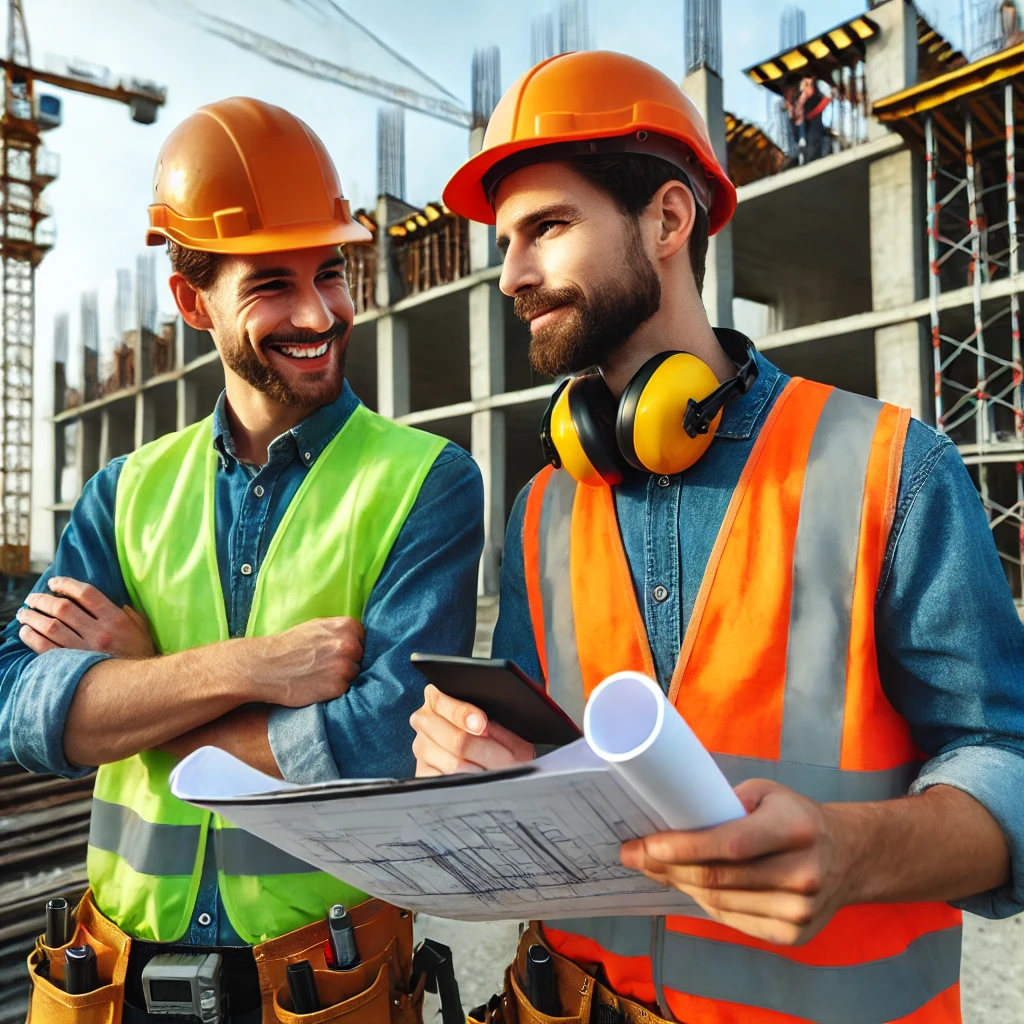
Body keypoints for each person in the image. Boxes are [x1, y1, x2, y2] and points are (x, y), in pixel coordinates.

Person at [411, 51, 1024, 1023]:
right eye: (503, 242)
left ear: (666, 219)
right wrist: (477, 760)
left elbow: (1004, 755)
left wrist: (856, 848)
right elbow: (541, 765)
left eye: (545, 229)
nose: (512, 276)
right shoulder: (541, 507)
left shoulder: (889, 469)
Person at [1, 98, 482, 1022]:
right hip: (118, 981)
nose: (317, 312)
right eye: (270, 284)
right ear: (192, 302)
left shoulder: (428, 482)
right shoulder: (126, 491)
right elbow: (23, 710)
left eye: (331, 273)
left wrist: (136, 688)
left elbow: (379, 746)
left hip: (323, 982)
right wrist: (249, 669)